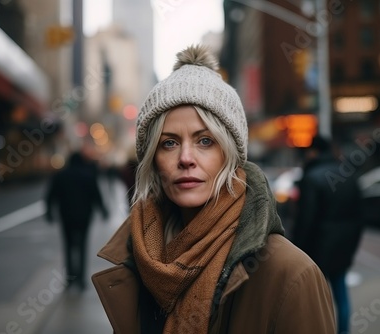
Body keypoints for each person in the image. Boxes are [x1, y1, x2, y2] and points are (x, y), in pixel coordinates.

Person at [92, 45, 336, 333]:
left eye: (205, 141)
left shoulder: (291, 275)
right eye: (169, 142)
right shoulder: (140, 262)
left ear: (230, 155)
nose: (185, 158)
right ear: (153, 160)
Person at [291, 135, 364, 334]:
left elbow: (306, 220)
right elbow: (359, 215)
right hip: (344, 245)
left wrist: (297, 248)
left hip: (317, 247)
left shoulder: (311, 176)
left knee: (315, 299)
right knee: (341, 294)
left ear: (313, 152)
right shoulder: (349, 174)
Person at [45, 151, 109, 290]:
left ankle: (70, 278)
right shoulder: (87, 175)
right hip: (84, 216)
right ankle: (80, 279)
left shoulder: (60, 175)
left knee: (68, 246)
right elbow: (96, 195)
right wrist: (103, 211)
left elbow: (51, 195)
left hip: (66, 216)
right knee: (82, 245)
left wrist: (49, 212)